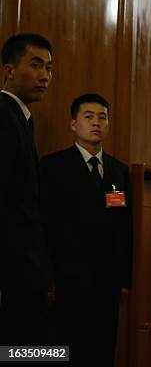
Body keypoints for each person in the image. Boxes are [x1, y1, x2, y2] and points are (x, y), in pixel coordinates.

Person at [40, 93, 133, 366]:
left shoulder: (118, 171)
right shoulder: (53, 166)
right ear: (73, 124)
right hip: (67, 278)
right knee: (66, 348)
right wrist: (47, 277)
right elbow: (45, 225)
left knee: (103, 348)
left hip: (108, 281)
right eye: (88, 117)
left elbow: (125, 227)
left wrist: (125, 278)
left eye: (102, 117)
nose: (96, 123)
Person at [0, 33, 54, 345]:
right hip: (15, 271)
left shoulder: (115, 173)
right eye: (35, 66)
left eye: (49, 68)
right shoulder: (4, 116)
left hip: (33, 271)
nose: (44, 76)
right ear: (9, 70)